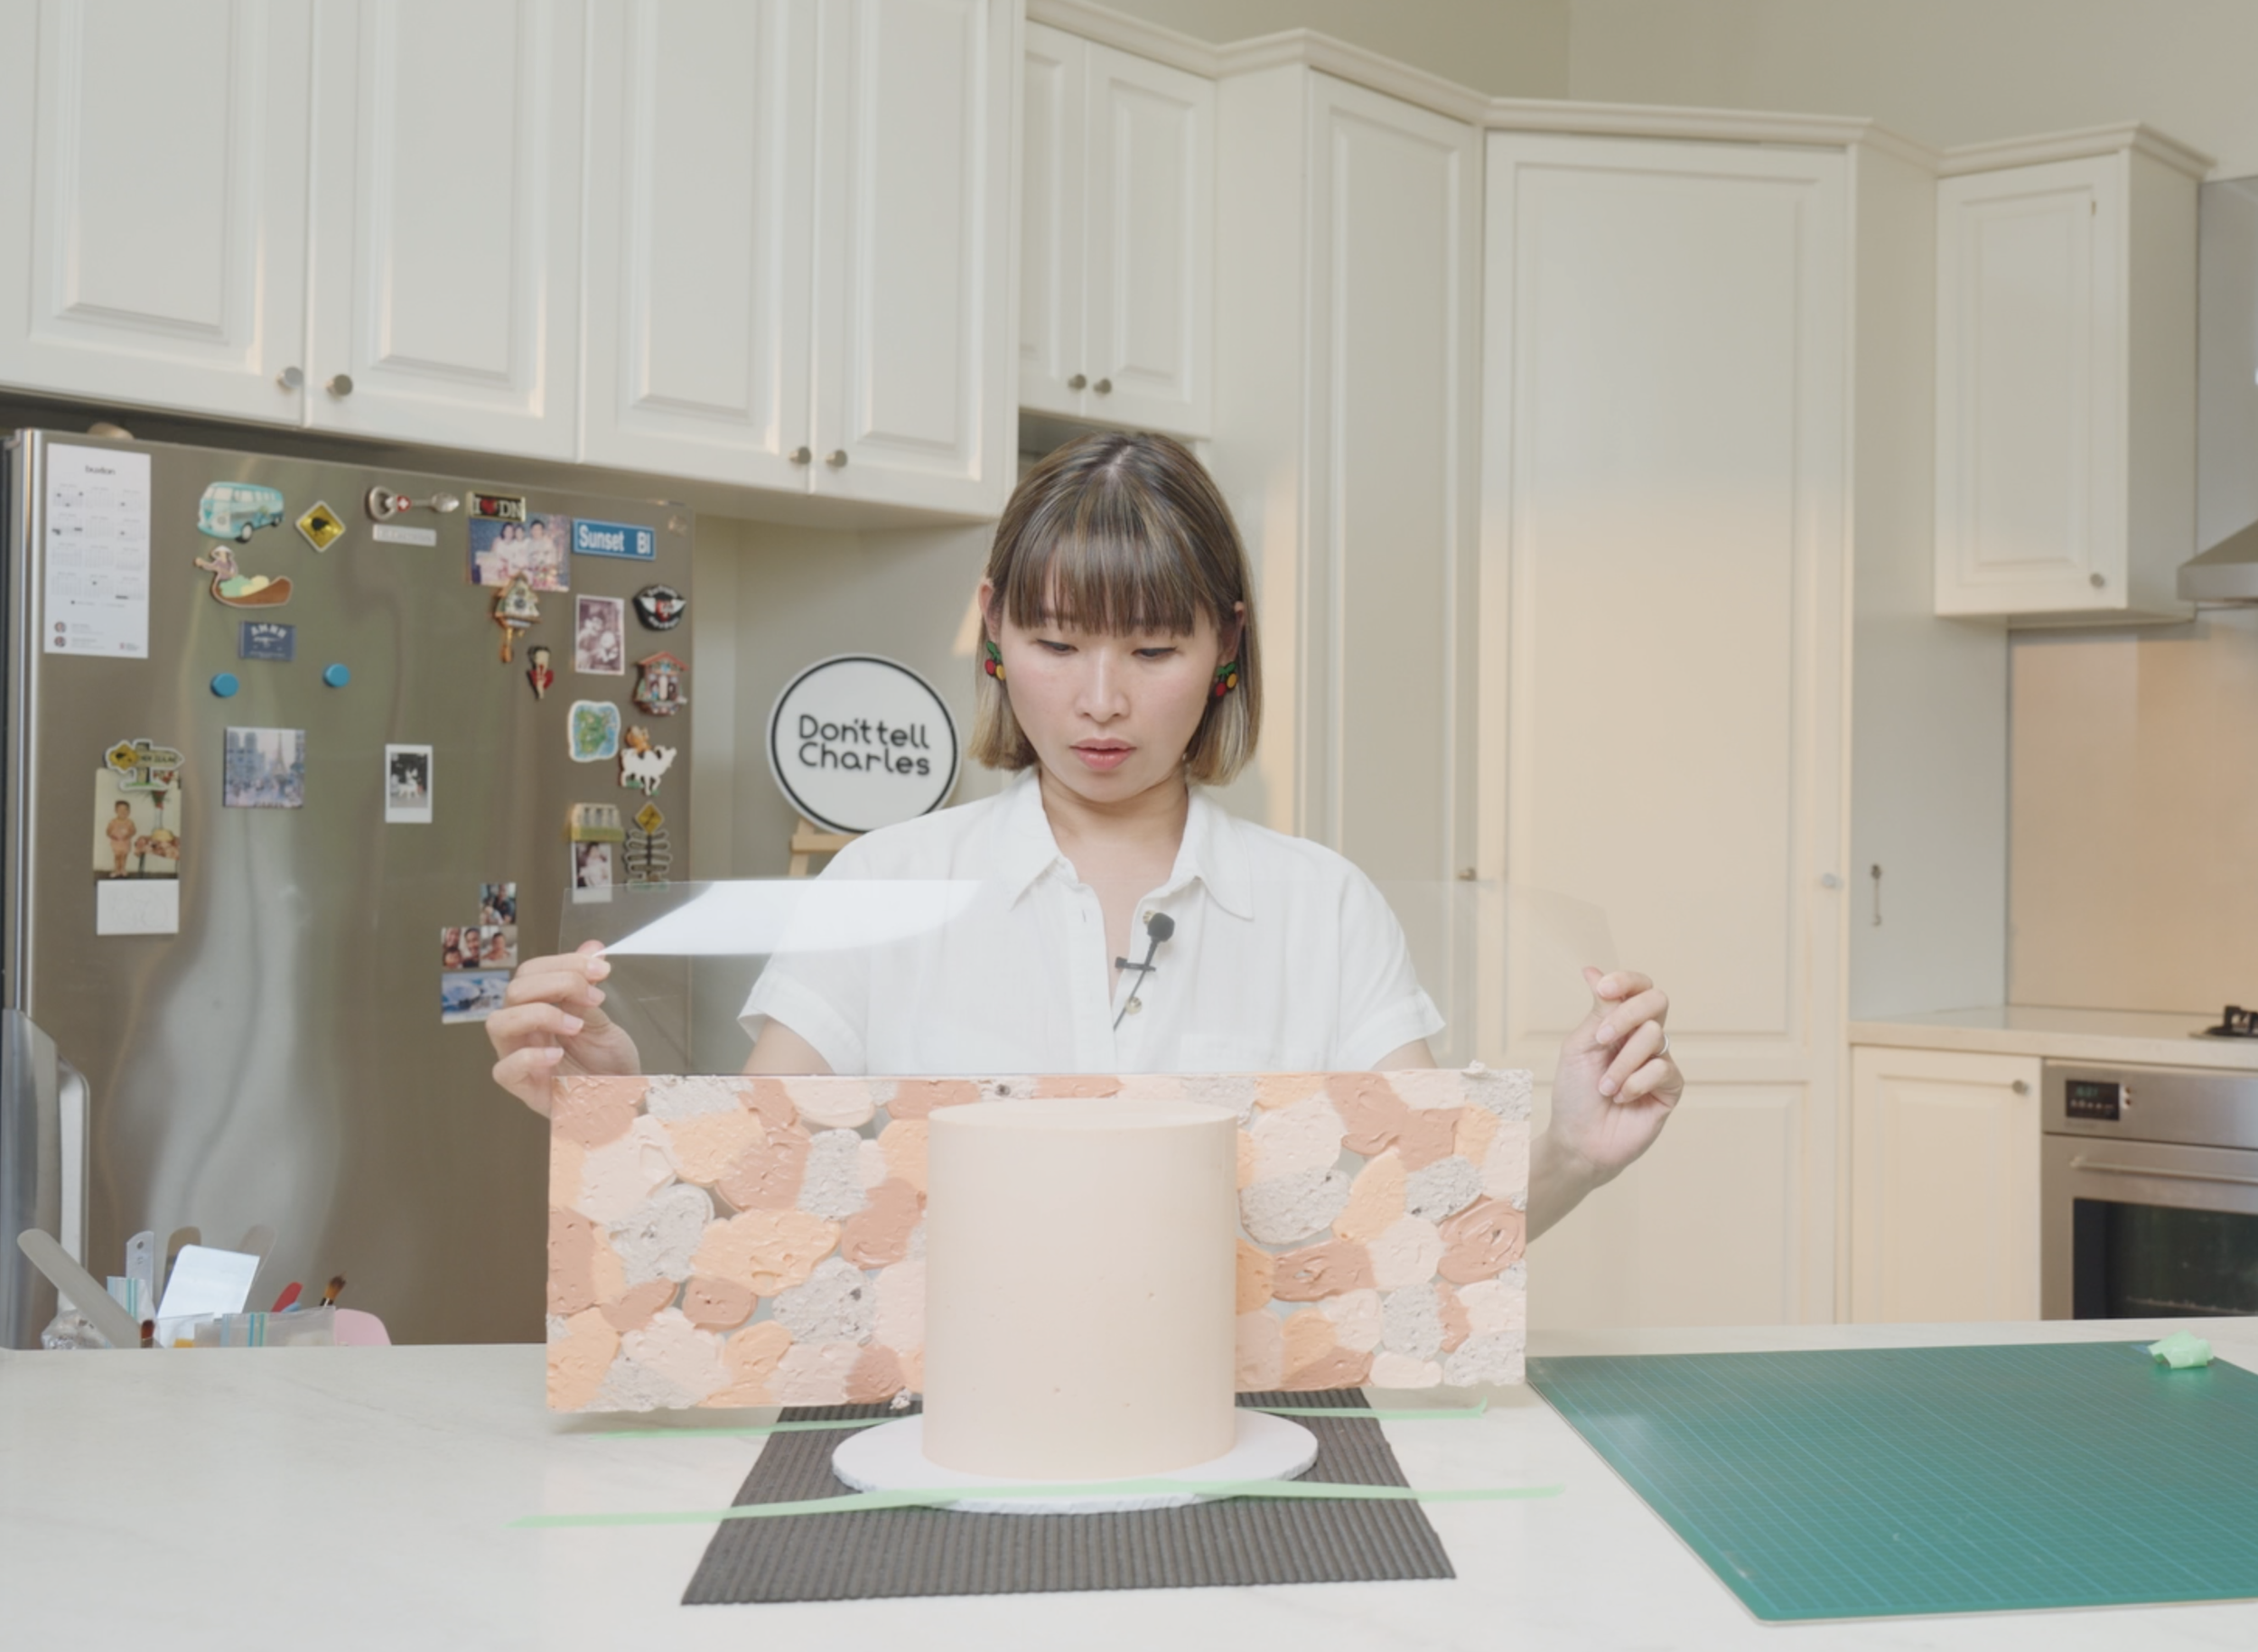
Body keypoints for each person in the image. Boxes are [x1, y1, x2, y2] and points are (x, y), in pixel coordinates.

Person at [489, 433, 1682, 1237]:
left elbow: (1432, 1219)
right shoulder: (884, 882)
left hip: (1246, 1431)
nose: (1102, 701)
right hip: (934, 1424)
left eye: (1154, 651)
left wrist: (1571, 1148)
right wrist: (623, 1115)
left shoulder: (1321, 906)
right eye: (1059, 645)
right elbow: (747, 1202)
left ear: (1226, 647)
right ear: (995, 630)